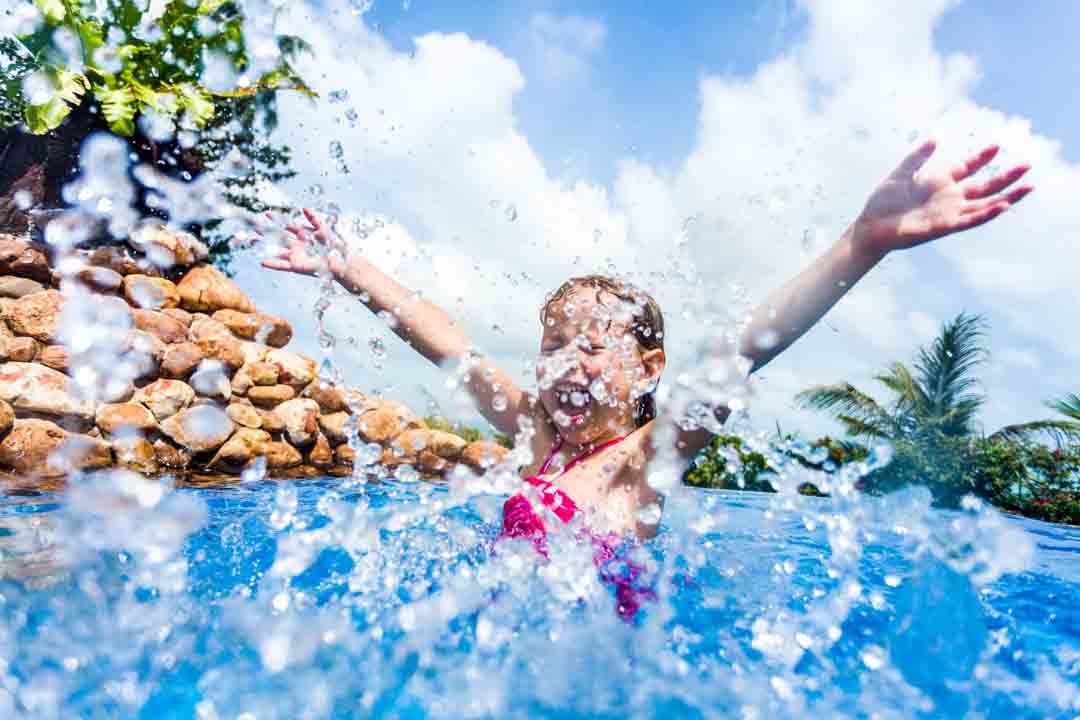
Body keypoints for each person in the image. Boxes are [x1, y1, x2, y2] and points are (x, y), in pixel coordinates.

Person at [262, 140, 1030, 547]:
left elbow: (746, 350)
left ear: (648, 368)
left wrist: (860, 244)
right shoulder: (531, 430)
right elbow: (449, 347)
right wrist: (346, 266)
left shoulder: (647, 457)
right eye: (555, 343)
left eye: (593, 346)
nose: (569, 360)